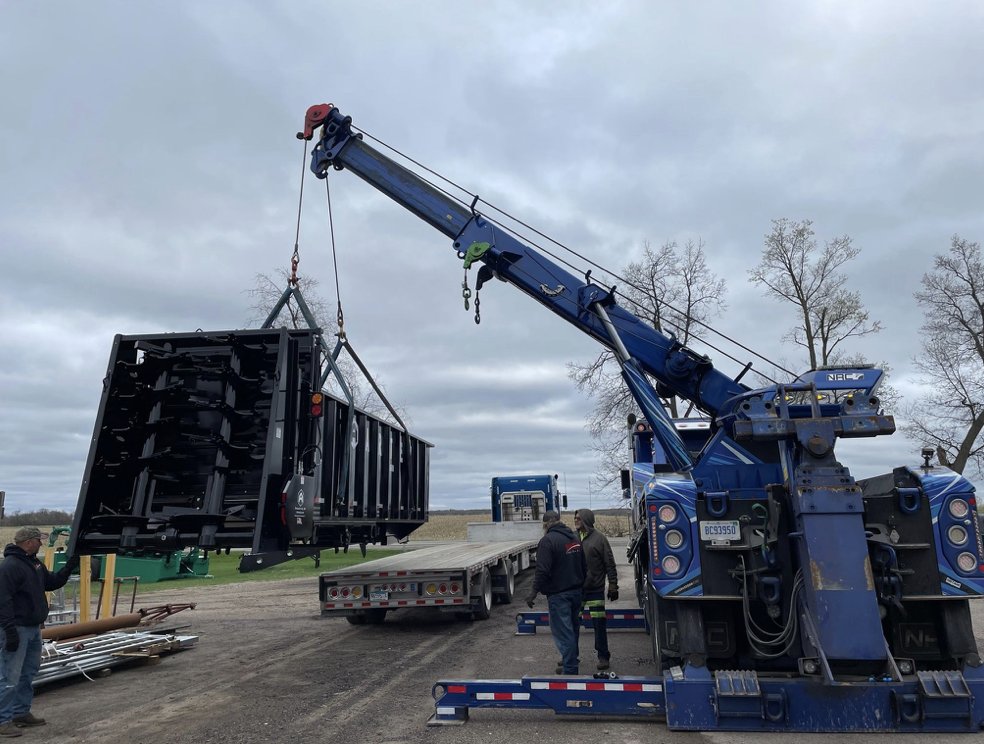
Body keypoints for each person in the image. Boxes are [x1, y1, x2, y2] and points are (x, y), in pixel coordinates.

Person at [0, 527, 79, 736]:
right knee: (9, 676)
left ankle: (20, 712)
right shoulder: (10, 566)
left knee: (27, 673)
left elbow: (52, 582)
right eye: (38, 540)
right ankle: (3, 720)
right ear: (27, 542)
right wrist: (10, 632)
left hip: (34, 629)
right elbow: (3, 601)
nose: (41, 543)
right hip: (17, 628)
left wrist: (70, 566)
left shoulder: (34, 563)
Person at [525, 511, 586, 675]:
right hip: (576, 592)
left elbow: (542, 570)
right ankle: (571, 662)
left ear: (545, 525)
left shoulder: (547, 541)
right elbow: (583, 565)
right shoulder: (574, 538)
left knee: (564, 633)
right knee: (573, 630)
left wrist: (533, 592)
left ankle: (571, 669)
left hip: (559, 596)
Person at [574, 508, 619, 671]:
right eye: (575, 518)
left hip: (595, 589)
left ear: (586, 519)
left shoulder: (600, 539)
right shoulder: (572, 538)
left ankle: (603, 657)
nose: (576, 520)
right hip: (576, 590)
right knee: (572, 624)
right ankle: (571, 657)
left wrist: (613, 584)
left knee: (599, 625)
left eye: (579, 518)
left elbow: (609, 563)